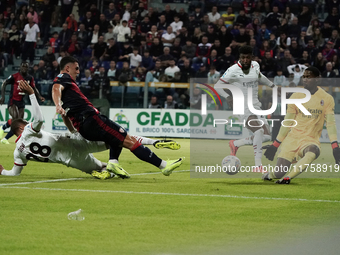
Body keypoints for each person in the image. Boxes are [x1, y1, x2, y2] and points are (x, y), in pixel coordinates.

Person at [0, 80, 180, 178]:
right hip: (76, 143)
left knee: (102, 167)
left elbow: (13, 174)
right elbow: (39, 119)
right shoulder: (29, 130)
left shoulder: (18, 153)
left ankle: (110, 169)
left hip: (72, 161)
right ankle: (150, 150)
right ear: (22, 126)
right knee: (118, 137)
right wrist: (32, 95)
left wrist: (1, 171)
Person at [52, 56, 183, 179]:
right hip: (91, 120)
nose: (79, 71)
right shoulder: (63, 77)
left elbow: (65, 114)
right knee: (128, 139)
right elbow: (56, 88)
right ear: (67, 68)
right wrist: (57, 105)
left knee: (117, 136)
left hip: (85, 125)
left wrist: (73, 130)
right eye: (76, 68)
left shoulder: (68, 93)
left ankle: (113, 162)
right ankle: (164, 166)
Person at [262, 67, 340, 184]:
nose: (305, 79)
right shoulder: (296, 96)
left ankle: (288, 178)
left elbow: (330, 123)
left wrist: (335, 146)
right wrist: (275, 144)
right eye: (304, 77)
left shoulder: (327, 98)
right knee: (279, 172)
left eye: (309, 77)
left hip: (310, 140)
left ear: (317, 79)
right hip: (292, 139)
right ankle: (270, 175)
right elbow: (288, 122)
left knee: (313, 150)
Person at [214, 45, 276, 171]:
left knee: (267, 136)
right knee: (258, 131)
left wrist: (272, 85)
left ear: (252, 57)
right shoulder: (233, 70)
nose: (246, 60)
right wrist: (227, 97)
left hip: (256, 105)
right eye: (243, 58)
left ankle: (236, 144)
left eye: (248, 57)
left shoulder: (256, 65)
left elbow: (259, 76)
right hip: (242, 106)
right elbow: (217, 86)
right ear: (240, 58)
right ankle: (258, 165)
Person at [0, 62, 45, 144]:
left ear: (28, 69)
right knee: (16, 119)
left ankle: (4, 132)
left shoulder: (30, 78)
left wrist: (39, 96)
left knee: (19, 122)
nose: (24, 68)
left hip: (21, 102)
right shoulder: (14, 76)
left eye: (26, 67)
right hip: (12, 101)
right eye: (23, 67)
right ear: (20, 68)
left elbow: (33, 88)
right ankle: (6, 135)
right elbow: (4, 83)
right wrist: (2, 96)